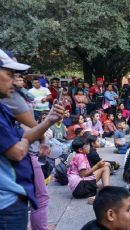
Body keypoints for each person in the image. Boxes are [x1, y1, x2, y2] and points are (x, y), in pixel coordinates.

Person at [0, 49, 65, 230]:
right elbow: (17, 151)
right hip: (6, 204)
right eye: (9, 74)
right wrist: (25, 139)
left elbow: (22, 137)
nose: (15, 81)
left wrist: (49, 120)